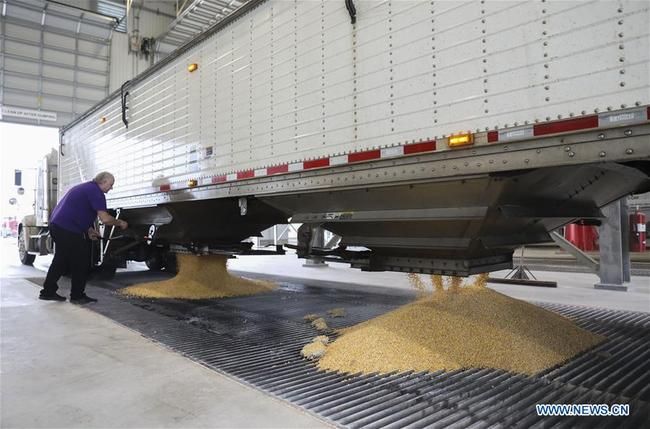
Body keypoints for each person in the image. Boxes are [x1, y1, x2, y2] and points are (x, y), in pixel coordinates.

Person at [39, 172, 128, 304]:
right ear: (103, 182)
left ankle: (47, 292)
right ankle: (77, 296)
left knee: (61, 260)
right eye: (111, 184)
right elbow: (105, 219)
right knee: (81, 261)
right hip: (67, 229)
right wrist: (121, 223)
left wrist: (88, 229)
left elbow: (76, 212)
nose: (111, 188)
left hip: (57, 226)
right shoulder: (97, 192)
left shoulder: (86, 188)